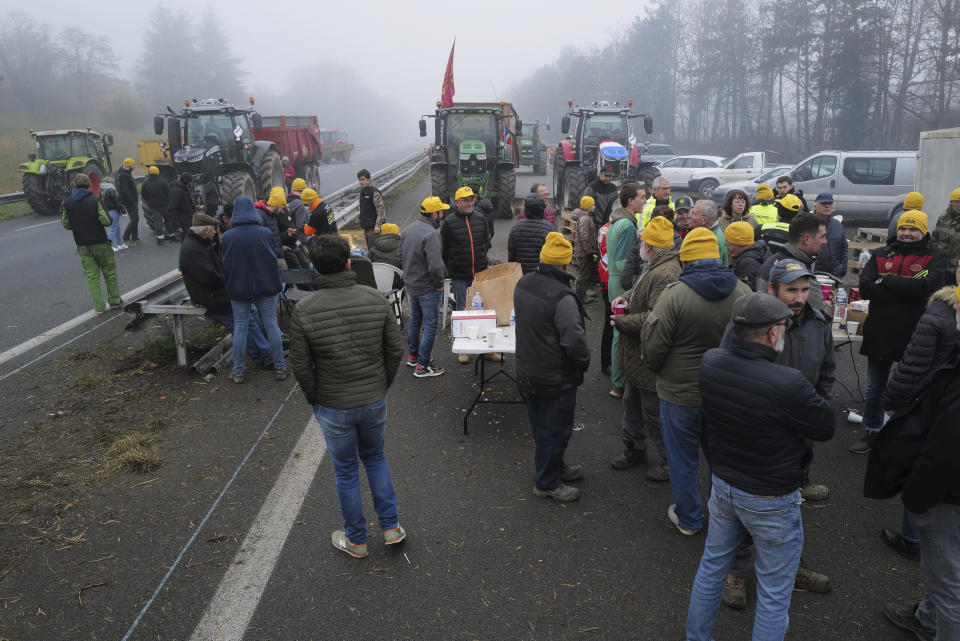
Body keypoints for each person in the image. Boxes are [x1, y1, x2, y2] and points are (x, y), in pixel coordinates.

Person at [686, 292, 834, 641]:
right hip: (771, 497)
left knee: (711, 568)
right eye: (783, 326)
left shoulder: (710, 362)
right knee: (773, 593)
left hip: (724, 485)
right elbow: (825, 426)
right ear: (772, 334)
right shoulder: (788, 383)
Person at [719, 259, 836, 609]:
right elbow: (728, 374)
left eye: (804, 289)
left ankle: (792, 567)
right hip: (755, 437)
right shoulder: (747, 324)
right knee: (746, 507)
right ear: (772, 289)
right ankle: (737, 572)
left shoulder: (818, 322)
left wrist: (817, 410)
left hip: (798, 437)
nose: (799, 297)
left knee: (792, 506)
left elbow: (827, 373)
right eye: (791, 290)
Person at [288, 234, 406, 558]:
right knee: (377, 459)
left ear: (315, 268)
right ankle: (391, 527)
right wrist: (381, 385)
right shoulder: (375, 298)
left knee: (346, 471)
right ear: (349, 263)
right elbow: (395, 349)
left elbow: (301, 365)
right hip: (372, 398)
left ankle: (356, 539)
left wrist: (316, 398)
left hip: (333, 403)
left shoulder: (304, 309)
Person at [863, 288, 960, 641]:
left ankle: (937, 623)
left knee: (949, 584)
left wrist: (916, 495)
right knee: (945, 569)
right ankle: (926, 617)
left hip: (947, 497)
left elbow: (945, 448)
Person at [642, 228, 751, 535]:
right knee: (723, 460)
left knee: (682, 460)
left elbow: (653, 346)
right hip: (726, 394)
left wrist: (660, 372)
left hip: (680, 395)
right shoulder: (743, 293)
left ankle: (690, 518)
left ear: (686, 259)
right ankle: (726, 518)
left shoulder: (674, 295)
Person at [851, 210, 948, 453]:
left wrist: (885, 281)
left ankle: (903, 434)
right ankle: (873, 430)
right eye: (903, 228)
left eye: (913, 229)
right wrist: (907, 288)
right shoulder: (881, 254)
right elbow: (865, 289)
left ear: (923, 231)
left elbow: (929, 287)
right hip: (881, 331)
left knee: (913, 388)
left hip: (917, 334)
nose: (906, 233)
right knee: (875, 388)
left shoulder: (935, 256)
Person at [877, 284, 960, 563]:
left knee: (921, 465)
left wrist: (891, 400)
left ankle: (912, 537)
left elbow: (914, 365)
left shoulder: (937, 313)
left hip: (928, 403)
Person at [514, 232, 590, 502]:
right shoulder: (563, 297)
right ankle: (546, 482)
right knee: (555, 429)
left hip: (527, 370)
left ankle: (554, 466)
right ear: (565, 264)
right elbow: (573, 341)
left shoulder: (523, 283)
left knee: (541, 425)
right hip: (555, 377)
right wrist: (584, 361)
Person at [609, 216, 680, 480]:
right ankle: (635, 449)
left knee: (654, 414)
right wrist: (626, 297)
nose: (640, 245)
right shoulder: (656, 265)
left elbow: (655, 318)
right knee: (632, 405)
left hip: (648, 356)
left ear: (650, 246)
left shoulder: (665, 273)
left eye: (643, 241)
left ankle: (669, 462)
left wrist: (622, 321)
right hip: (636, 357)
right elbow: (640, 288)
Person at [179, 212, 272, 367]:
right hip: (211, 296)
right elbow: (209, 277)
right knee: (244, 323)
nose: (216, 232)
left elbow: (217, 270)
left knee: (250, 313)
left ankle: (266, 350)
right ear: (205, 230)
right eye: (214, 229)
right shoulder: (192, 249)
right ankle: (263, 357)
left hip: (217, 292)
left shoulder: (201, 244)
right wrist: (232, 282)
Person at [221, 197, 288, 384]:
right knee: (271, 325)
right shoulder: (264, 232)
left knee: (241, 329)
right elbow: (272, 256)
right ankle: (280, 367)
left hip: (239, 288)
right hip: (265, 286)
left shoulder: (227, 236)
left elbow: (226, 264)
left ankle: (239, 370)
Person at [61, 173, 122, 313]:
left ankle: (99, 307)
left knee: (92, 276)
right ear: (89, 184)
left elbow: (65, 224)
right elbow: (106, 221)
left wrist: (78, 226)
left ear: (74, 184)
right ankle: (114, 301)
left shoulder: (67, 202)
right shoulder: (95, 200)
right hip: (99, 242)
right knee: (109, 273)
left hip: (82, 244)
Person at [401, 197, 449, 377]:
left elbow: (401, 256)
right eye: (441, 212)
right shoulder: (432, 234)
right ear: (434, 214)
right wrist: (438, 285)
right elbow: (435, 266)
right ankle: (423, 365)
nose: (442, 214)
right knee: (430, 325)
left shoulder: (407, 230)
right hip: (427, 288)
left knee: (415, 320)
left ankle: (413, 356)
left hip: (411, 285)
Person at [606, 183, 643, 397]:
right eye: (642, 197)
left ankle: (617, 380)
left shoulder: (616, 221)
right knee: (620, 332)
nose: (645, 200)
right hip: (621, 282)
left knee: (616, 330)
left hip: (613, 279)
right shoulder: (628, 226)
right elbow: (623, 263)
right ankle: (618, 383)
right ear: (631, 201)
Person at [756, 210, 827, 308]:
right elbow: (819, 313)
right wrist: (827, 305)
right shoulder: (799, 272)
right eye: (822, 236)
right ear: (807, 239)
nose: (825, 241)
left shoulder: (772, 260)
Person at [440, 185, 491, 314]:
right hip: (459, 277)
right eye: (466, 200)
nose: (470, 203)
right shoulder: (448, 223)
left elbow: (486, 243)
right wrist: (454, 268)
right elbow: (444, 250)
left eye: (471, 200)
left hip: (479, 274)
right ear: (457, 202)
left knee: (480, 307)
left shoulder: (481, 218)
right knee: (462, 309)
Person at [509, 194, 555, 273]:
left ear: (526, 210)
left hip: (521, 274)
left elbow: (511, 254)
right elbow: (553, 255)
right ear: (542, 210)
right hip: (542, 274)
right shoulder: (549, 228)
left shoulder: (516, 228)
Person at [726, 221, 770, 291]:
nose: (725, 243)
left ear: (738, 242)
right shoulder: (753, 253)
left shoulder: (749, 264)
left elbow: (746, 294)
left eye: (727, 240)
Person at [812, 192, 848, 278]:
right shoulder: (807, 222)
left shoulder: (838, 225)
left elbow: (844, 248)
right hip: (813, 275)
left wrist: (842, 269)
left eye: (830, 203)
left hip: (833, 275)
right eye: (823, 203)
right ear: (815, 206)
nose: (827, 206)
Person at [571, 196, 599, 303]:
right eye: (593, 205)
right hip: (584, 253)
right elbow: (584, 237)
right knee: (583, 275)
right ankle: (580, 298)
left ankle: (582, 296)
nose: (595, 206)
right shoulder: (585, 219)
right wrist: (589, 252)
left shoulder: (585, 217)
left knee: (585, 274)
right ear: (588, 207)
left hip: (584, 252)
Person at [254, 187, 290, 267]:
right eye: (282, 208)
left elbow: (273, 237)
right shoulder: (260, 215)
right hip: (270, 259)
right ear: (276, 205)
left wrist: (280, 246)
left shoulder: (272, 216)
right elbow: (261, 242)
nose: (282, 211)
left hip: (276, 255)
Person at [931, 187, 960, 285]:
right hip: (942, 265)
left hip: (957, 269)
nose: (959, 205)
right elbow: (935, 237)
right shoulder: (943, 217)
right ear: (951, 202)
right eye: (956, 201)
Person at [141, 166, 173, 245]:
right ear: (157, 172)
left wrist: (149, 201)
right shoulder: (163, 181)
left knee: (158, 221)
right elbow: (169, 192)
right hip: (165, 204)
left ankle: (160, 239)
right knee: (168, 220)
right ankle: (172, 236)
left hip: (153, 206)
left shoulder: (145, 183)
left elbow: (143, 195)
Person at [357, 169, 386, 249]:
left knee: (375, 250)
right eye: (359, 180)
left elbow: (381, 210)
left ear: (369, 180)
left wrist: (378, 225)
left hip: (373, 227)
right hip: (366, 226)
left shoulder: (374, 192)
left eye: (363, 179)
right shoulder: (363, 191)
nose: (360, 182)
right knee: (369, 249)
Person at [117, 157, 141, 245]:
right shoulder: (124, 175)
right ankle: (126, 238)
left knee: (135, 219)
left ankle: (135, 238)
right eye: (133, 165)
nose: (134, 166)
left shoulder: (126, 173)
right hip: (130, 202)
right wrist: (132, 201)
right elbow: (125, 191)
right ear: (129, 166)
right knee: (135, 219)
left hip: (132, 201)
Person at [99, 175, 126, 251]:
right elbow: (117, 202)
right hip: (113, 211)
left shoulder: (102, 190)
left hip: (108, 211)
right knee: (114, 228)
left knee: (117, 227)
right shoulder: (111, 190)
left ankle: (120, 243)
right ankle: (108, 245)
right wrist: (123, 211)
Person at [168, 173, 196, 242]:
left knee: (189, 241)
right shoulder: (177, 191)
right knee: (187, 241)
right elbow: (173, 208)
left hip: (187, 220)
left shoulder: (183, 189)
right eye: (191, 180)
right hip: (183, 223)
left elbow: (184, 204)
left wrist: (194, 207)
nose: (192, 182)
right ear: (188, 181)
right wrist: (177, 226)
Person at [287, 177, 309, 242]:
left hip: (287, 235)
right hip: (298, 238)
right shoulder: (300, 205)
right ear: (303, 190)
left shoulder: (286, 199)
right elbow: (300, 226)